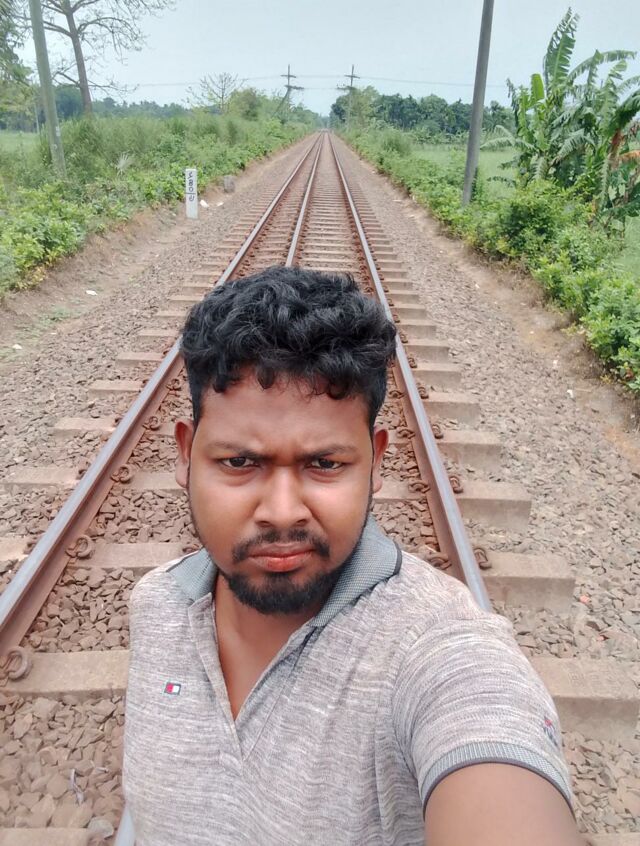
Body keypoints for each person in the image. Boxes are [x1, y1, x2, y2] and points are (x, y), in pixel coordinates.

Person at [123, 266, 582, 845]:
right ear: (186, 455)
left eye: (325, 464)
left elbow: (487, 732)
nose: (282, 512)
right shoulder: (157, 606)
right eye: (239, 463)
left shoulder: (434, 648)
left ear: (375, 461)